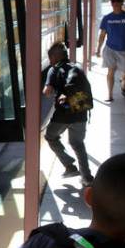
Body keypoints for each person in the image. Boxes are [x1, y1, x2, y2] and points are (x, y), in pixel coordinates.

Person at [43, 42, 94, 185]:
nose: (50, 60)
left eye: (50, 57)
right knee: (77, 144)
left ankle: (69, 165)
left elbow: (46, 92)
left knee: (50, 136)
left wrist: (52, 90)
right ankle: (87, 177)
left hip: (63, 115)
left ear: (54, 57)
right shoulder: (77, 67)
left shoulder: (53, 70)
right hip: (81, 112)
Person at [96, 0, 125, 103]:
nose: (115, 3)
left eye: (118, 0)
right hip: (110, 49)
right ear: (111, 3)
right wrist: (98, 48)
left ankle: (124, 88)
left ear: (122, 2)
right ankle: (110, 95)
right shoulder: (107, 18)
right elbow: (102, 34)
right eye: (113, 1)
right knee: (110, 71)